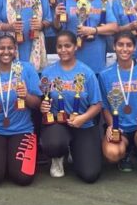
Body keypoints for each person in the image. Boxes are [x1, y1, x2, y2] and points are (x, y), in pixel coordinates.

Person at [0, 32, 42, 188]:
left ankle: (8, 162)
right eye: (1, 48)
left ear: (15, 49)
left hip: (22, 129)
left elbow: (37, 104)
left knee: (23, 178)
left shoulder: (26, 69)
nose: (6, 52)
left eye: (10, 48)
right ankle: (1, 161)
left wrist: (26, 96)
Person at [39, 31, 104, 181]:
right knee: (54, 143)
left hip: (83, 123)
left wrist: (83, 118)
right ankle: (58, 157)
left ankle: (75, 151)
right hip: (57, 123)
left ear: (75, 46)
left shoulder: (87, 73)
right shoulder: (48, 72)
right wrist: (43, 107)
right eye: (59, 46)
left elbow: (97, 104)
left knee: (90, 175)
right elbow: (44, 99)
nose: (63, 50)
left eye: (67, 46)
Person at [99, 32, 137, 181]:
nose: (124, 49)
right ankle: (125, 154)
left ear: (134, 48)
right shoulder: (105, 74)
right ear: (114, 47)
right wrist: (112, 126)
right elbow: (105, 107)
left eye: (129, 45)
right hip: (120, 128)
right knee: (111, 153)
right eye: (120, 45)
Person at [52, 0, 118, 74]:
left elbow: (114, 27)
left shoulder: (101, 1)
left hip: (96, 58)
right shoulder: (66, 2)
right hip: (73, 58)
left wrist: (94, 30)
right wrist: (56, 18)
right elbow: (59, 29)